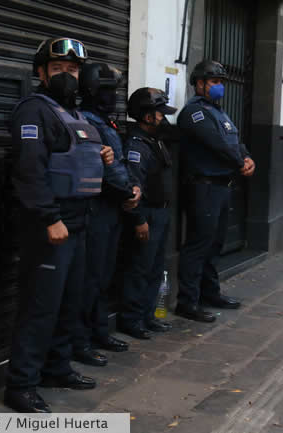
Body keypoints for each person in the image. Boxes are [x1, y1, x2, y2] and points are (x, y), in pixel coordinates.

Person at [5, 37, 114, 413]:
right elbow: (28, 171)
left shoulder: (75, 114)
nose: (67, 76)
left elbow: (75, 155)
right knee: (40, 306)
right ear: (41, 73)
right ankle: (21, 385)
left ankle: (57, 367)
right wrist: (49, 218)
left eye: (72, 70)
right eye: (58, 70)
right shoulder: (33, 111)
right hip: (50, 223)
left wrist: (104, 152)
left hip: (80, 221)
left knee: (70, 302)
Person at [72, 63, 142, 366]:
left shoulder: (106, 122)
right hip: (97, 209)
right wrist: (129, 192)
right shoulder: (87, 121)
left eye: (114, 90)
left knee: (103, 277)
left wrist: (132, 189)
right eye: (106, 90)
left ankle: (98, 332)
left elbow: (122, 162)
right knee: (91, 279)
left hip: (113, 208)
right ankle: (81, 341)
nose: (112, 96)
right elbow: (107, 169)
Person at [175, 60, 255, 322]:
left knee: (214, 245)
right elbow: (217, 144)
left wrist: (247, 157)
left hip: (221, 188)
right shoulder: (195, 113)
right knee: (198, 245)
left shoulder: (219, 112)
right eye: (215, 82)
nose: (220, 87)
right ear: (199, 84)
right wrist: (239, 162)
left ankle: (210, 293)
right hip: (204, 188)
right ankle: (187, 302)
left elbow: (235, 140)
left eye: (221, 82)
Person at [118, 88, 176, 340]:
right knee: (139, 269)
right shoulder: (137, 146)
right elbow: (134, 186)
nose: (164, 117)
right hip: (147, 214)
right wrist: (139, 220)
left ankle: (148, 316)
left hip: (161, 213)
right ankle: (132, 320)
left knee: (154, 267)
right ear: (146, 116)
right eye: (160, 113)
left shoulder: (155, 140)